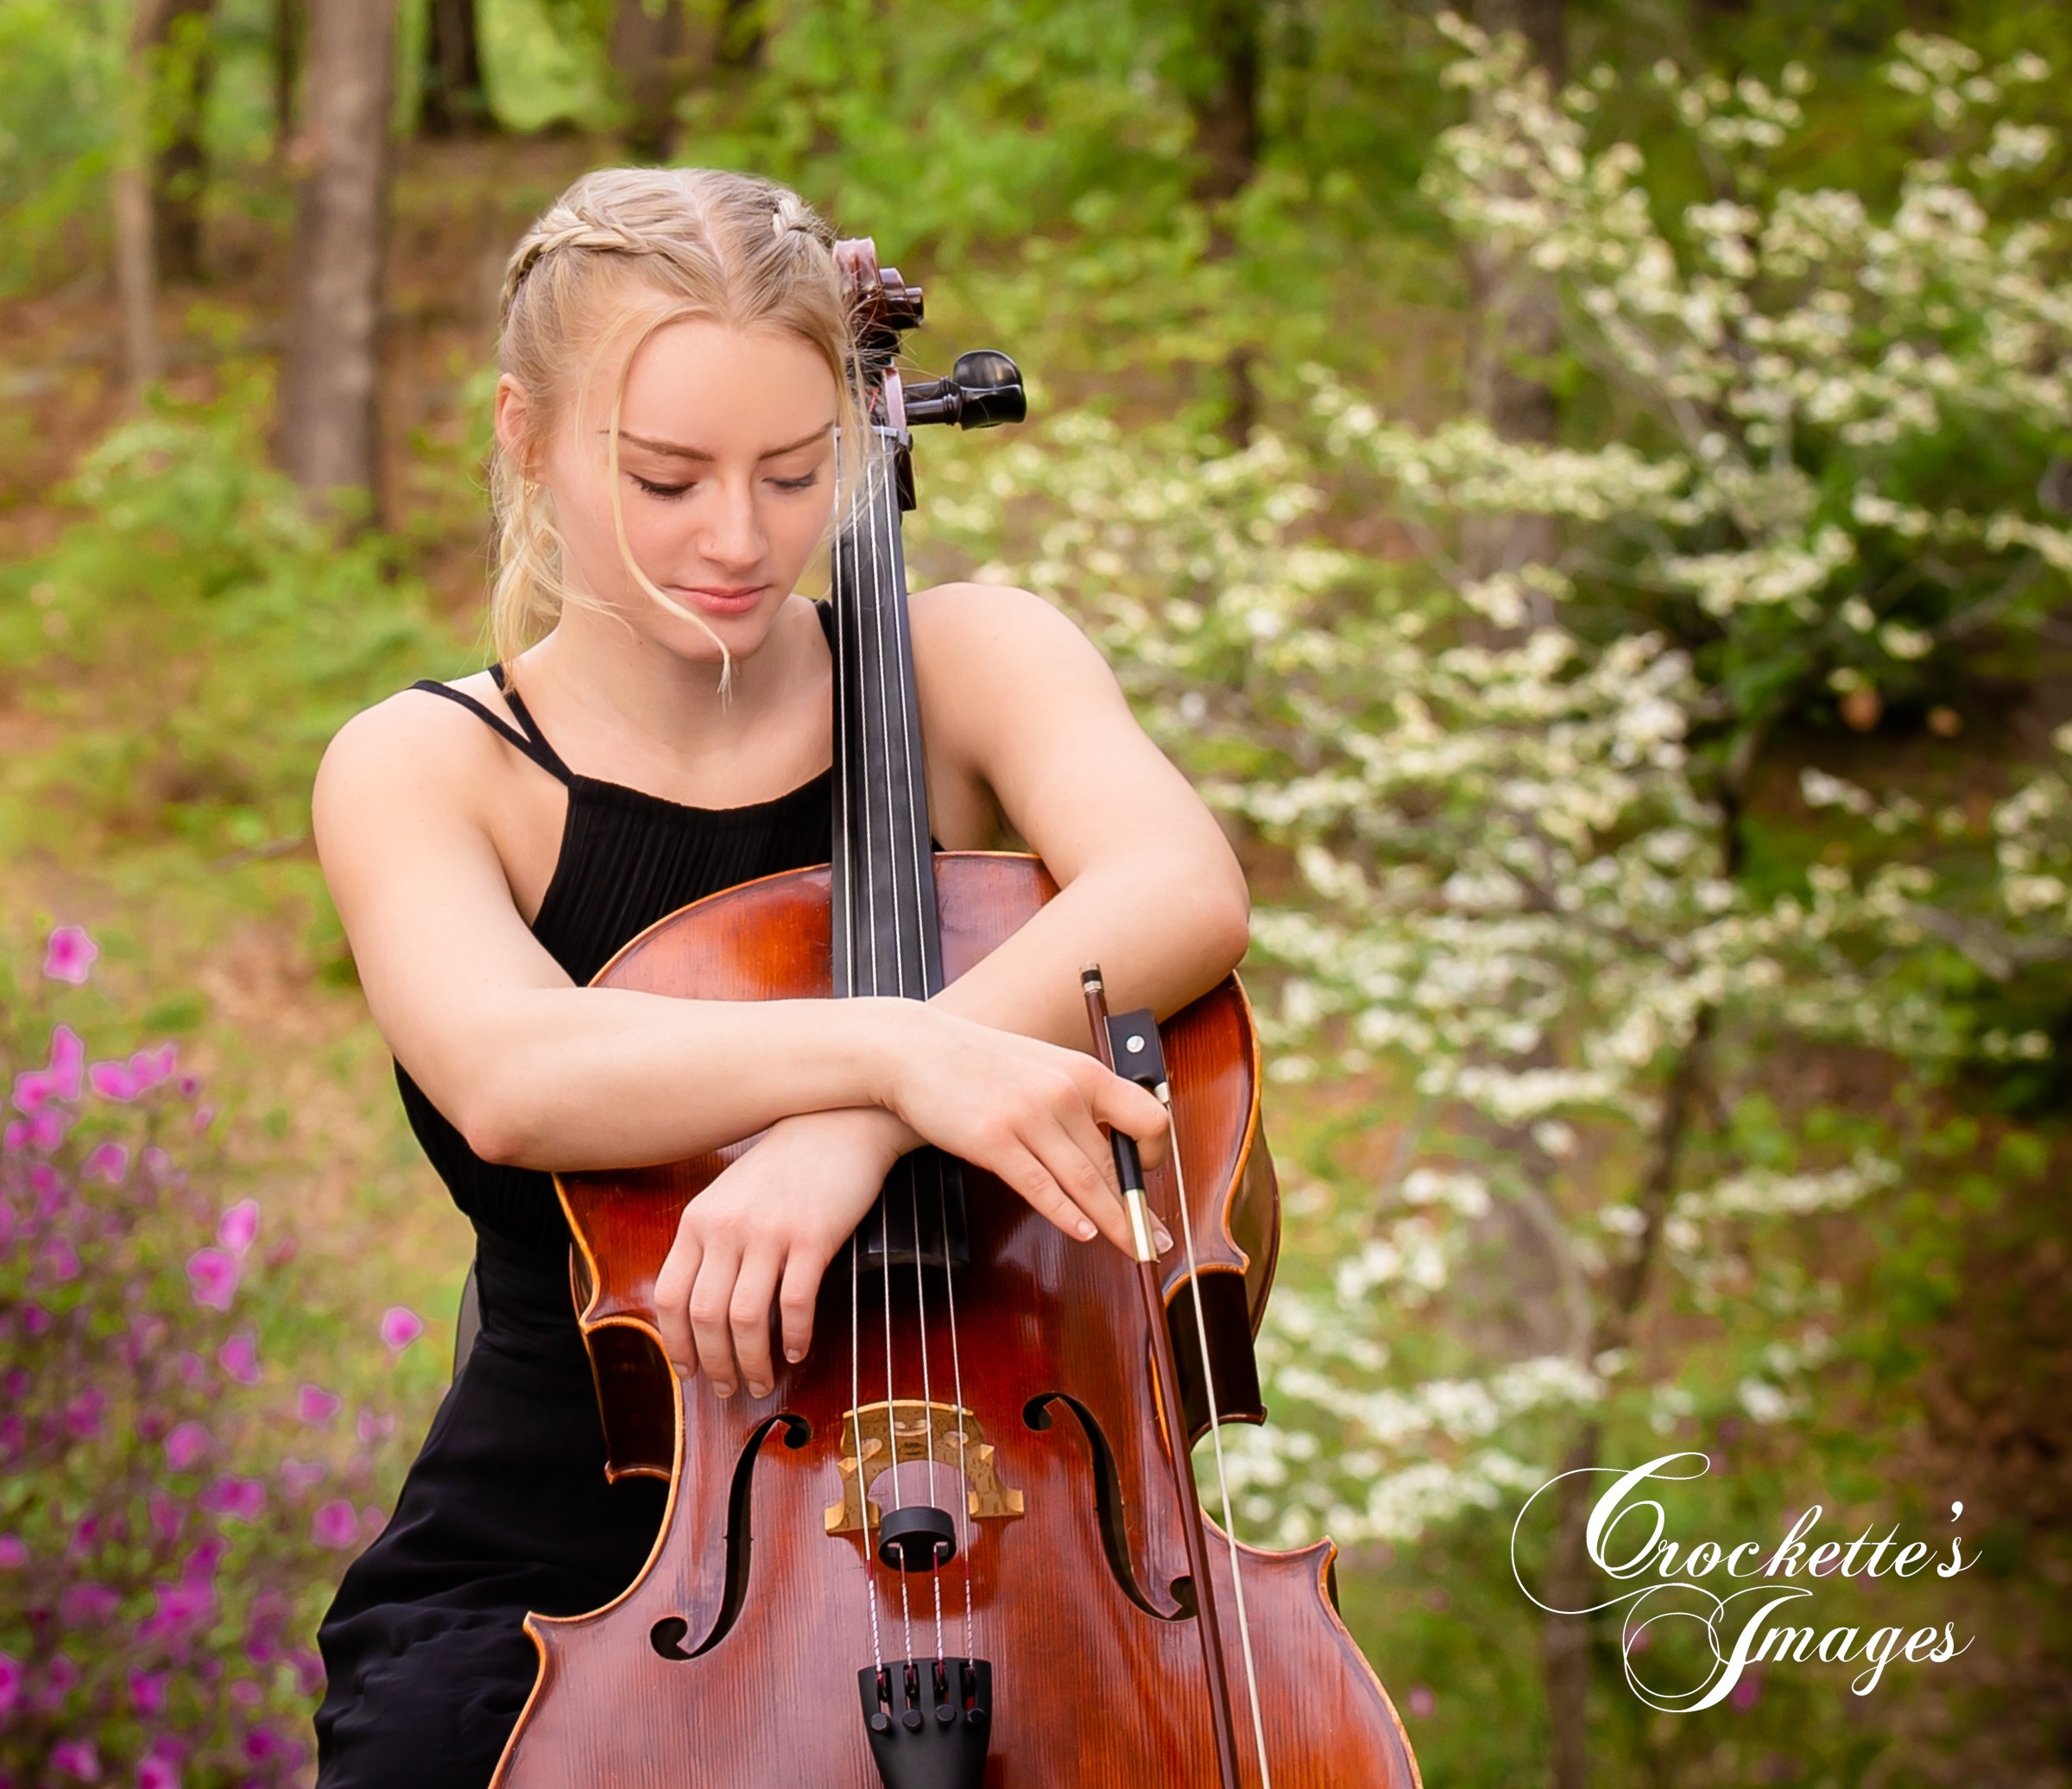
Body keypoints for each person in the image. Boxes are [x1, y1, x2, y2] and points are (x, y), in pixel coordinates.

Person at [306, 167, 1250, 1786]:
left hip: (1031, 1551)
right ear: (524, 434)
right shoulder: (429, 766)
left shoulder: (970, 661)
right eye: (664, 478)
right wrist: (898, 1057)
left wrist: (858, 1128)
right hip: (581, 1563)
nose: (736, 540)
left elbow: (1181, 886)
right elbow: (515, 1072)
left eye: (796, 472)